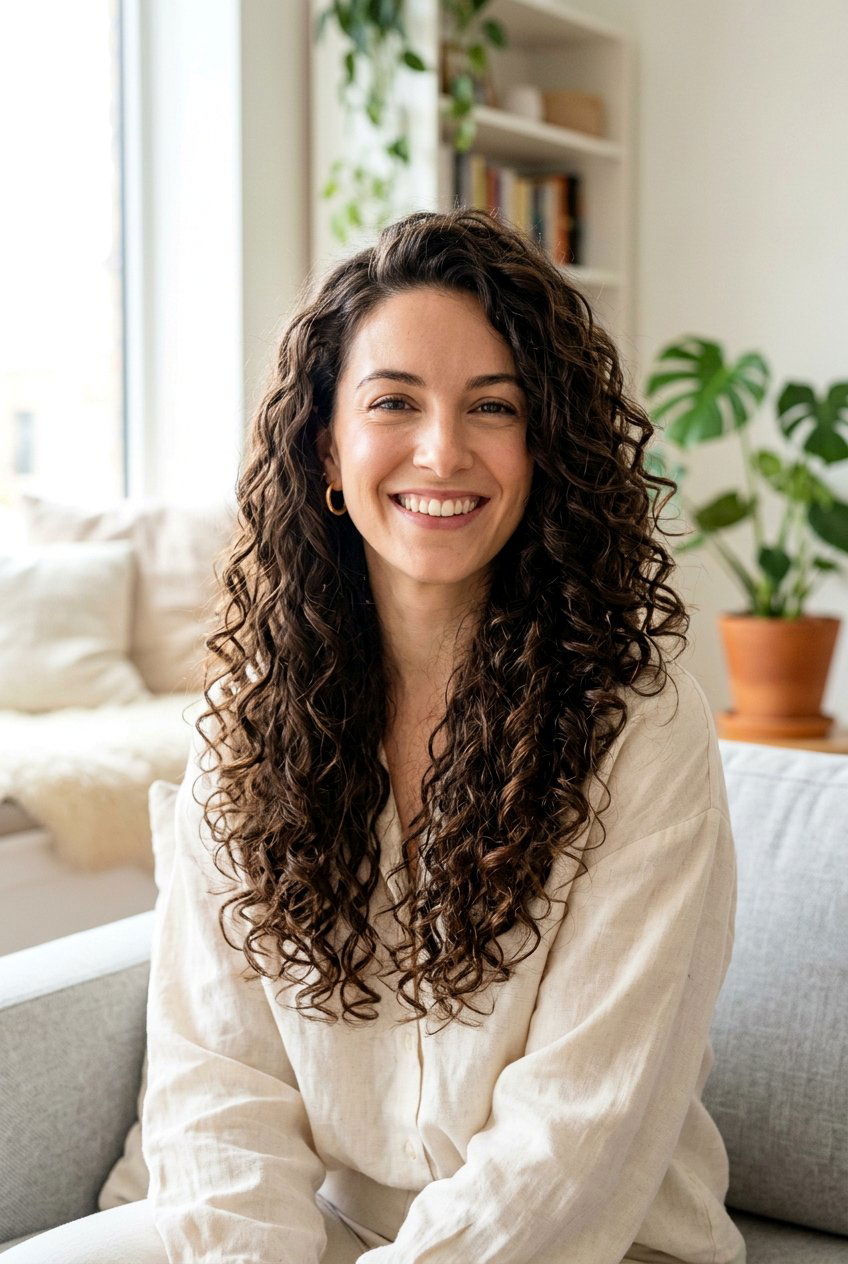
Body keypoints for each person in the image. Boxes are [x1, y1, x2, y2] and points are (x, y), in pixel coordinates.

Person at [6, 208, 746, 1263]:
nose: (441, 450)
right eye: (393, 401)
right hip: (329, 1230)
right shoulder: (245, 719)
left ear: (543, 449)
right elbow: (218, 1081)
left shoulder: (639, 719)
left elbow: (576, 1136)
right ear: (326, 445)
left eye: (492, 406)